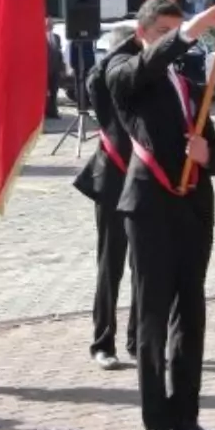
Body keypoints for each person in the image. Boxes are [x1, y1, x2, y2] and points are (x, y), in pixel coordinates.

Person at [105, 0, 215, 430]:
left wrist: (206, 155)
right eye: (163, 32)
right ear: (143, 33)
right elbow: (147, 65)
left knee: (190, 316)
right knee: (153, 317)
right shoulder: (124, 72)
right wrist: (194, 28)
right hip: (150, 209)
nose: (173, 42)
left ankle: (186, 416)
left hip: (192, 208)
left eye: (174, 31)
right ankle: (156, 420)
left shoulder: (189, 86)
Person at [73, 26, 140, 370]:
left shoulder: (144, 85)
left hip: (144, 183)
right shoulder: (104, 87)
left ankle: (138, 339)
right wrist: (128, 43)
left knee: (143, 267)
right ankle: (103, 342)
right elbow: (94, 77)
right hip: (113, 182)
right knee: (110, 265)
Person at [46, 19, 65, 119]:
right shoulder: (39, 36)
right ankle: (44, 112)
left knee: (54, 91)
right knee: (44, 93)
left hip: (55, 69)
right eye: (48, 23)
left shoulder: (57, 37)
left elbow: (59, 53)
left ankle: (53, 112)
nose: (50, 25)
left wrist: (62, 68)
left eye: (51, 23)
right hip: (44, 70)